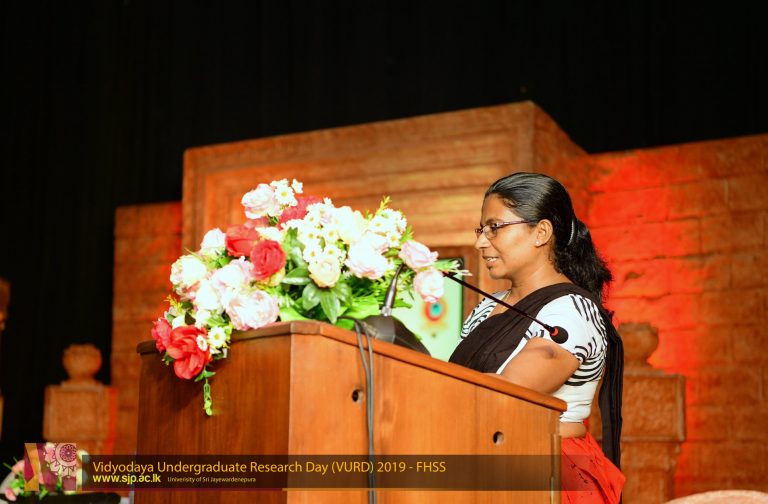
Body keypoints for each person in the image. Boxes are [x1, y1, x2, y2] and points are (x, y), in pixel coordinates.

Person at [449, 172, 625, 503]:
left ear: (541, 232)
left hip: (548, 473)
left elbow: (506, 394)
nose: (481, 242)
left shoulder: (571, 311)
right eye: (481, 230)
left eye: (495, 227)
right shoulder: (487, 306)